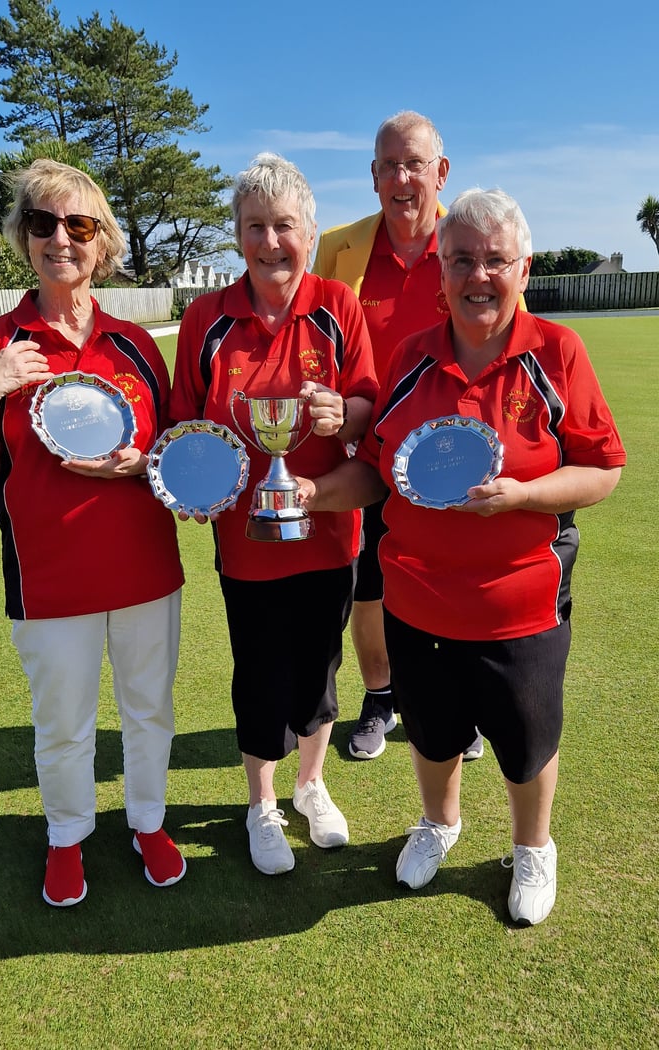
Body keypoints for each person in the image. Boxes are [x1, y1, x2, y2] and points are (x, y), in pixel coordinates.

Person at [298, 188, 625, 924]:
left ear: (524, 269)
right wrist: (310, 494)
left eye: (495, 261)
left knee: (525, 738)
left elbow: (601, 468)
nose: (479, 275)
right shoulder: (412, 358)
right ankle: (440, 823)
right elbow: (377, 469)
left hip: (521, 601)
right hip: (418, 600)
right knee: (435, 732)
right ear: (441, 272)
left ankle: (533, 846)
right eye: (463, 260)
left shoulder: (556, 353)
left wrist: (522, 494)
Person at [0, 159, 187, 907]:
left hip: (146, 570)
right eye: (42, 223)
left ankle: (147, 822)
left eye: (77, 225)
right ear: (23, 237)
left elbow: (171, 455)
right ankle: (68, 836)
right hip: (48, 581)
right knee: (65, 726)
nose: (59, 240)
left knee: (150, 712)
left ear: (101, 241)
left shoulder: (136, 344)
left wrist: (144, 463)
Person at [170, 153, 378, 876]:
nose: (269, 241)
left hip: (328, 531)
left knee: (318, 669)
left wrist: (338, 410)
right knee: (258, 670)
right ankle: (261, 803)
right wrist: (191, 488)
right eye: (254, 225)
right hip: (246, 541)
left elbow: (369, 407)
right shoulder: (206, 317)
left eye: (283, 225)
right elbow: (183, 423)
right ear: (236, 234)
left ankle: (311, 786)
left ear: (310, 231)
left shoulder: (336, 306)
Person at [313, 111, 484, 762]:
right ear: (373, 178)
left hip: (451, 456)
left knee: (454, 582)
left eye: (414, 164)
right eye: (387, 166)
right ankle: (382, 698)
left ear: (441, 173)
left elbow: (508, 338)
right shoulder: (337, 250)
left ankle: (456, 703)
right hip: (367, 456)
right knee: (371, 588)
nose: (401, 178)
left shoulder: (471, 244)